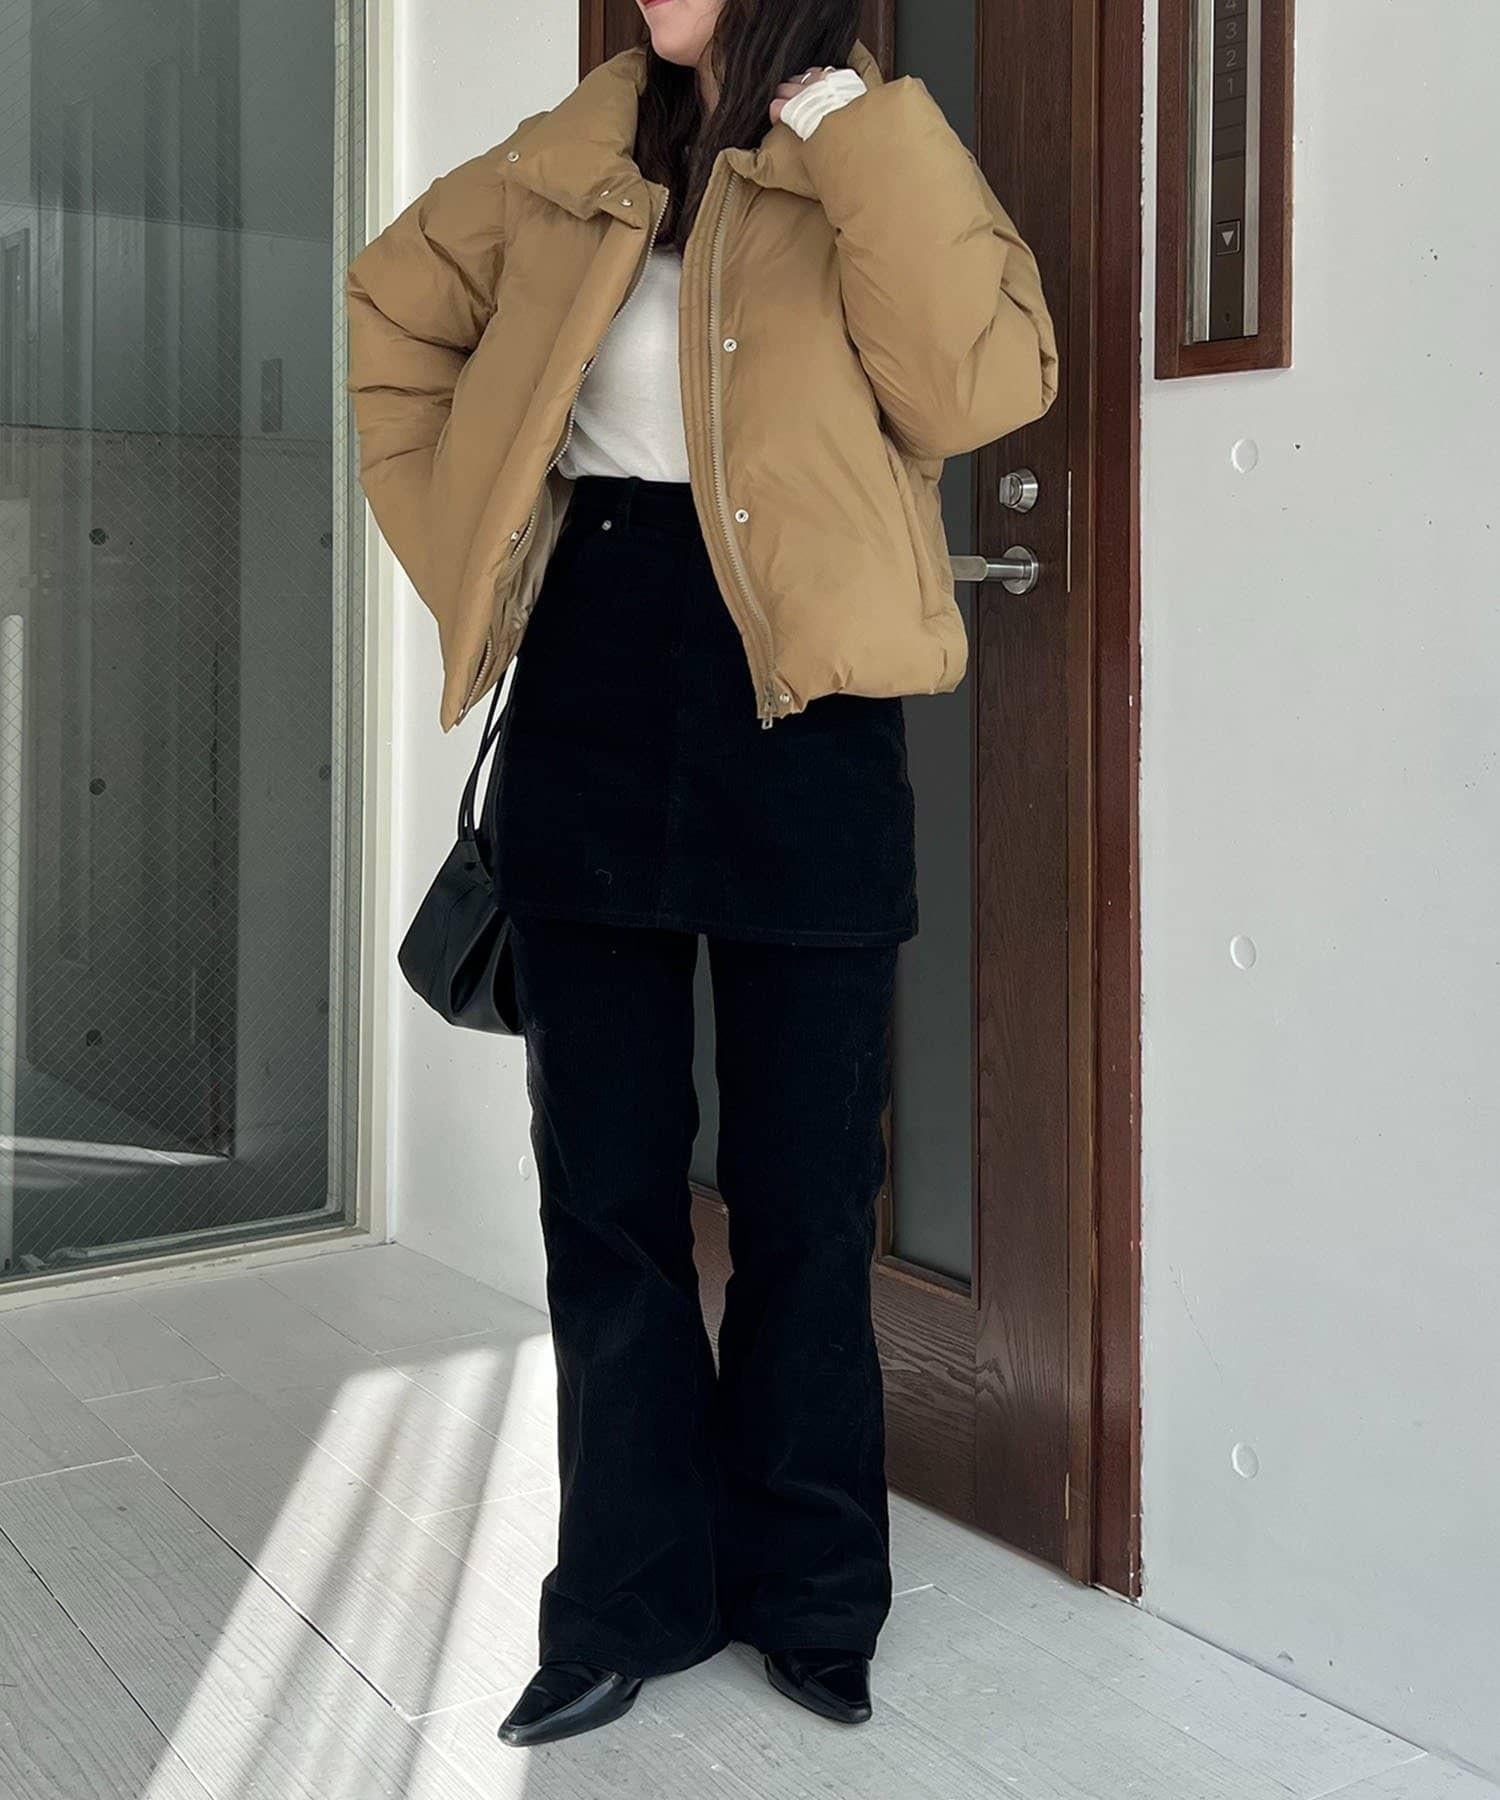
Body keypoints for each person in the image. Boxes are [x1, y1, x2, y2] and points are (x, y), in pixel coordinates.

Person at [346, 0, 1056, 1750]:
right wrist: (468, 538)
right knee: (607, 1194)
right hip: (593, 691)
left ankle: (812, 1593)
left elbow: (980, 388)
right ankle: (623, 1599)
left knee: (809, 1196)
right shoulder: (568, 159)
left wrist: (848, 128)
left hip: (807, 721)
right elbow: (389, 311)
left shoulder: (866, 151)